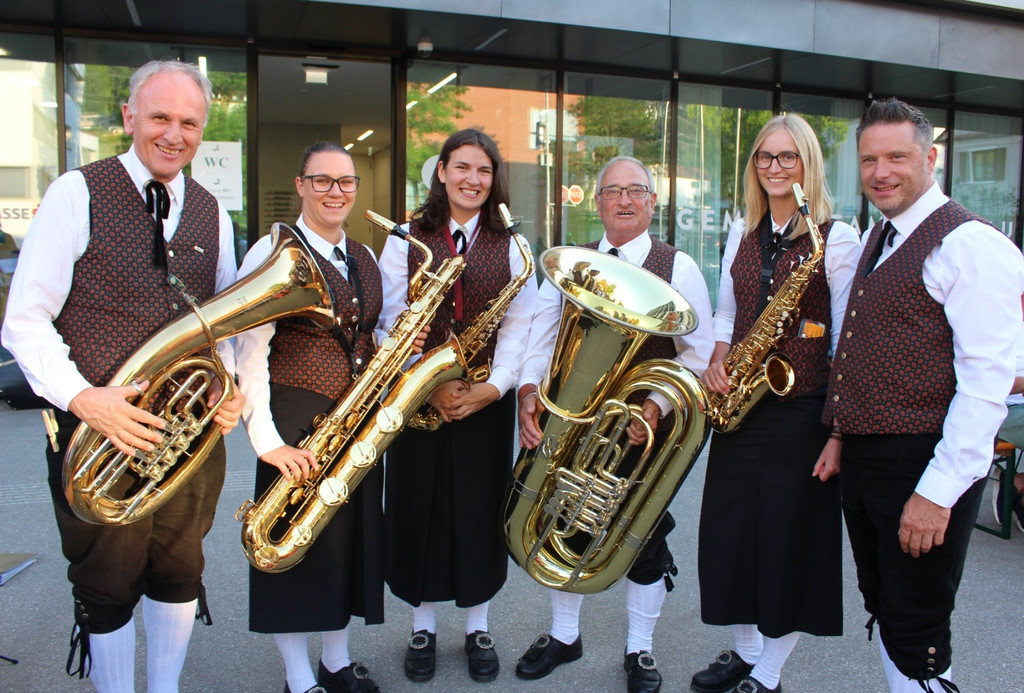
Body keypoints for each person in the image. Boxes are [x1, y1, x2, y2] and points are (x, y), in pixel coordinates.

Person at [0, 59, 244, 692]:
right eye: (159, 116)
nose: (174, 133)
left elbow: (222, 326)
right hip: (98, 435)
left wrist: (231, 387)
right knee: (106, 584)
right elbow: (24, 320)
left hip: (189, 439)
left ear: (203, 129)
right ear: (130, 117)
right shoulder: (76, 192)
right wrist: (85, 398)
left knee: (180, 570)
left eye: (189, 122)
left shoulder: (214, 213)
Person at [824, 97, 1024, 692]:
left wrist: (937, 495)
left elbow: (987, 387)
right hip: (868, 460)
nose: (880, 172)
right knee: (885, 606)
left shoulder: (970, 244)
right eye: (868, 160)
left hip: (923, 463)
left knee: (918, 625)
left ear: (930, 157)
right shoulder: (881, 235)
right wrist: (840, 433)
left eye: (896, 157)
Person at [516, 155, 715, 693]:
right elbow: (542, 327)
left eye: (636, 191)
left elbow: (696, 353)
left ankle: (640, 649)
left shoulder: (681, 267)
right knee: (563, 519)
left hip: (638, 426)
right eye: (613, 191)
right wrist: (528, 391)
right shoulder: (575, 263)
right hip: (573, 415)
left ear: (652, 201)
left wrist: (654, 405)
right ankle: (563, 636)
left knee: (638, 536)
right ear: (597, 201)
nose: (624, 200)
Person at [690, 114, 860, 693]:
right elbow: (729, 313)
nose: (775, 168)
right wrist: (717, 360)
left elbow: (843, 338)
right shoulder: (743, 226)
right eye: (765, 157)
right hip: (743, 403)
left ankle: (768, 672)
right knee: (731, 536)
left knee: (787, 541)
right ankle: (744, 652)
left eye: (788, 157)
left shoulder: (836, 236)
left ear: (807, 163)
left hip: (802, 407)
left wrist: (837, 430)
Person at [378, 128, 537, 683]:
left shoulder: (514, 245)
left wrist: (494, 388)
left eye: (484, 171)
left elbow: (522, 326)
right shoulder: (406, 237)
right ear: (441, 171)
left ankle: (477, 626)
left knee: (477, 511)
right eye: (462, 167)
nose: (473, 179)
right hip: (419, 394)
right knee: (418, 507)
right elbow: (387, 321)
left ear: (495, 181)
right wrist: (426, 382)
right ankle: (422, 626)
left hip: (484, 399)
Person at [234, 142, 384, 693]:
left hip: (358, 418)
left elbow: (372, 330)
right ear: (300, 185)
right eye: (322, 181)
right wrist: (266, 442)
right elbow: (248, 352)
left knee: (346, 545)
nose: (335, 191)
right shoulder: (270, 252)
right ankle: (299, 680)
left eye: (345, 182)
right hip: (294, 420)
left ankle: (337, 664)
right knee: (295, 545)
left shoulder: (364, 256)